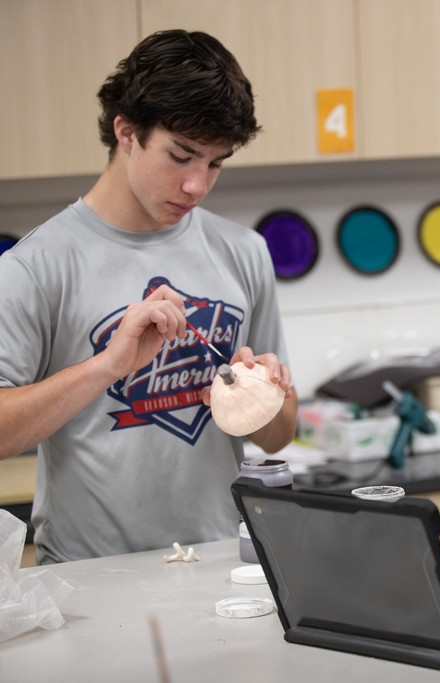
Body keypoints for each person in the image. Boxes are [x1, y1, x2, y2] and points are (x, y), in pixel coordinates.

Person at [0, 30, 298, 564]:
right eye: (181, 156)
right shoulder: (35, 265)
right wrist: (107, 366)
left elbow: (279, 437)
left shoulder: (244, 252)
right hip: (88, 577)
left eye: (214, 163)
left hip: (223, 563)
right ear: (127, 132)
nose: (196, 186)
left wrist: (265, 392)